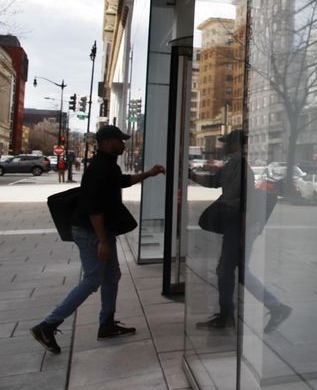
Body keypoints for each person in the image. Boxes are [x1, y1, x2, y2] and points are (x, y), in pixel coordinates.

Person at [31, 125, 165, 354]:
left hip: (101, 231)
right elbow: (94, 208)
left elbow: (122, 182)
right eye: (119, 141)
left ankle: (107, 324)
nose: (123, 144)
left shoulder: (108, 165)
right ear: (106, 142)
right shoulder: (99, 168)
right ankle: (48, 325)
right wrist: (102, 241)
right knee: (93, 280)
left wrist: (148, 174)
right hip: (91, 232)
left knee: (112, 275)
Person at [191, 129, 291, 331]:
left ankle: (234, 314)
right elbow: (213, 182)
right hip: (237, 225)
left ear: (235, 144)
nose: (223, 145)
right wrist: (189, 173)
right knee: (228, 270)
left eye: (226, 142)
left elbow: (245, 201)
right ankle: (233, 313)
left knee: (228, 270)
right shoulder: (233, 164)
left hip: (239, 225)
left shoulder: (239, 165)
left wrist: (243, 234)